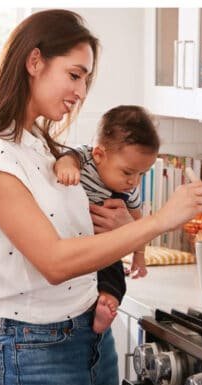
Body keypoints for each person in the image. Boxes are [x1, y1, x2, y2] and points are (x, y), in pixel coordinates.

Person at [0, 9, 202, 385]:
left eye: (86, 79)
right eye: (74, 75)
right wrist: (159, 221)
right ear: (34, 61)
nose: (81, 92)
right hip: (37, 350)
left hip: (92, 338)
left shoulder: (39, 145)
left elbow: (78, 234)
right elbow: (54, 261)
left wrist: (123, 228)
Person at [53, 105, 158, 334]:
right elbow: (66, 158)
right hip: (74, 244)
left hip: (104, 246)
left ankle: (107, 301)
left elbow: (139, 224)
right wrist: (66, 168)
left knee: (114, 273)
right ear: (99, 155)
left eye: (142, 174)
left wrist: (140, 256)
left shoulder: (129, 191)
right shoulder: (84, 158)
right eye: (128, 172)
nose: (134, 182)